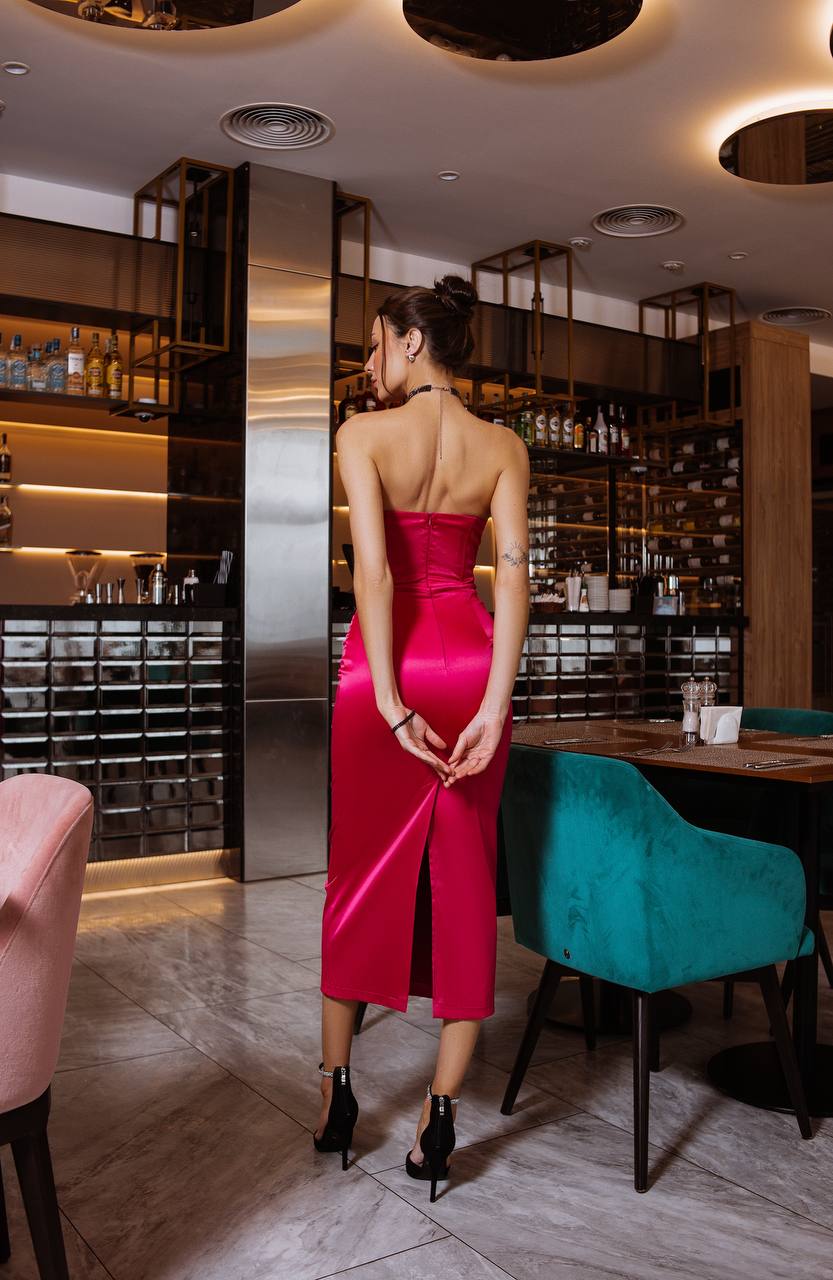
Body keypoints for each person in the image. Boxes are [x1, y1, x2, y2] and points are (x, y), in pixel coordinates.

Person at [317, 274, 529, 1201]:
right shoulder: (504, 446)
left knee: (357, 876)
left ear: (410, 342)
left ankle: (336, 1096)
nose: (368, 366)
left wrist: (392, 702)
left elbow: (374, 574)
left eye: (373, 346)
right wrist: (492, 704)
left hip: (384, 673)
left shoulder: (361, 436)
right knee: (466, 881)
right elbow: (513, 582)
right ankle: (439, 1118)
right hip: (473, 666)